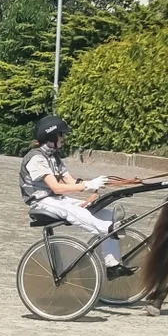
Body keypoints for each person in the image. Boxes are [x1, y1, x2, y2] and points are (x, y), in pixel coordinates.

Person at [18, 114, 133, 278]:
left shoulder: (55, 156)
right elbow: (56, 187)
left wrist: (94, 184)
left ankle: (113, 265)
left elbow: (71, 182)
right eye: (61, 135)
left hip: (58, 199)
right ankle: (109, 229)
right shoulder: (36, 158)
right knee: (76, 212)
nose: (63, 138)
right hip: (42, 201)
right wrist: (87, 185)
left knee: (104, 213)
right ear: (50, 136)